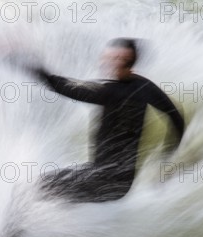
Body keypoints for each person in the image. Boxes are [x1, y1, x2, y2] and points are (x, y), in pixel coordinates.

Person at [19, 38, 185, 203]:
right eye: (107, 58)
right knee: (53, 198)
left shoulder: (109, 91)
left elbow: (63, 86)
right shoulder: (144, 87)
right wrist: (166, 160)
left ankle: (10, 229)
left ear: (125, 63)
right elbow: (176, 118)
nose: (104, 63)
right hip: (119, 184)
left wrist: (29, 65)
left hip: (103, 180)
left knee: (34, 189)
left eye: (112, 60)